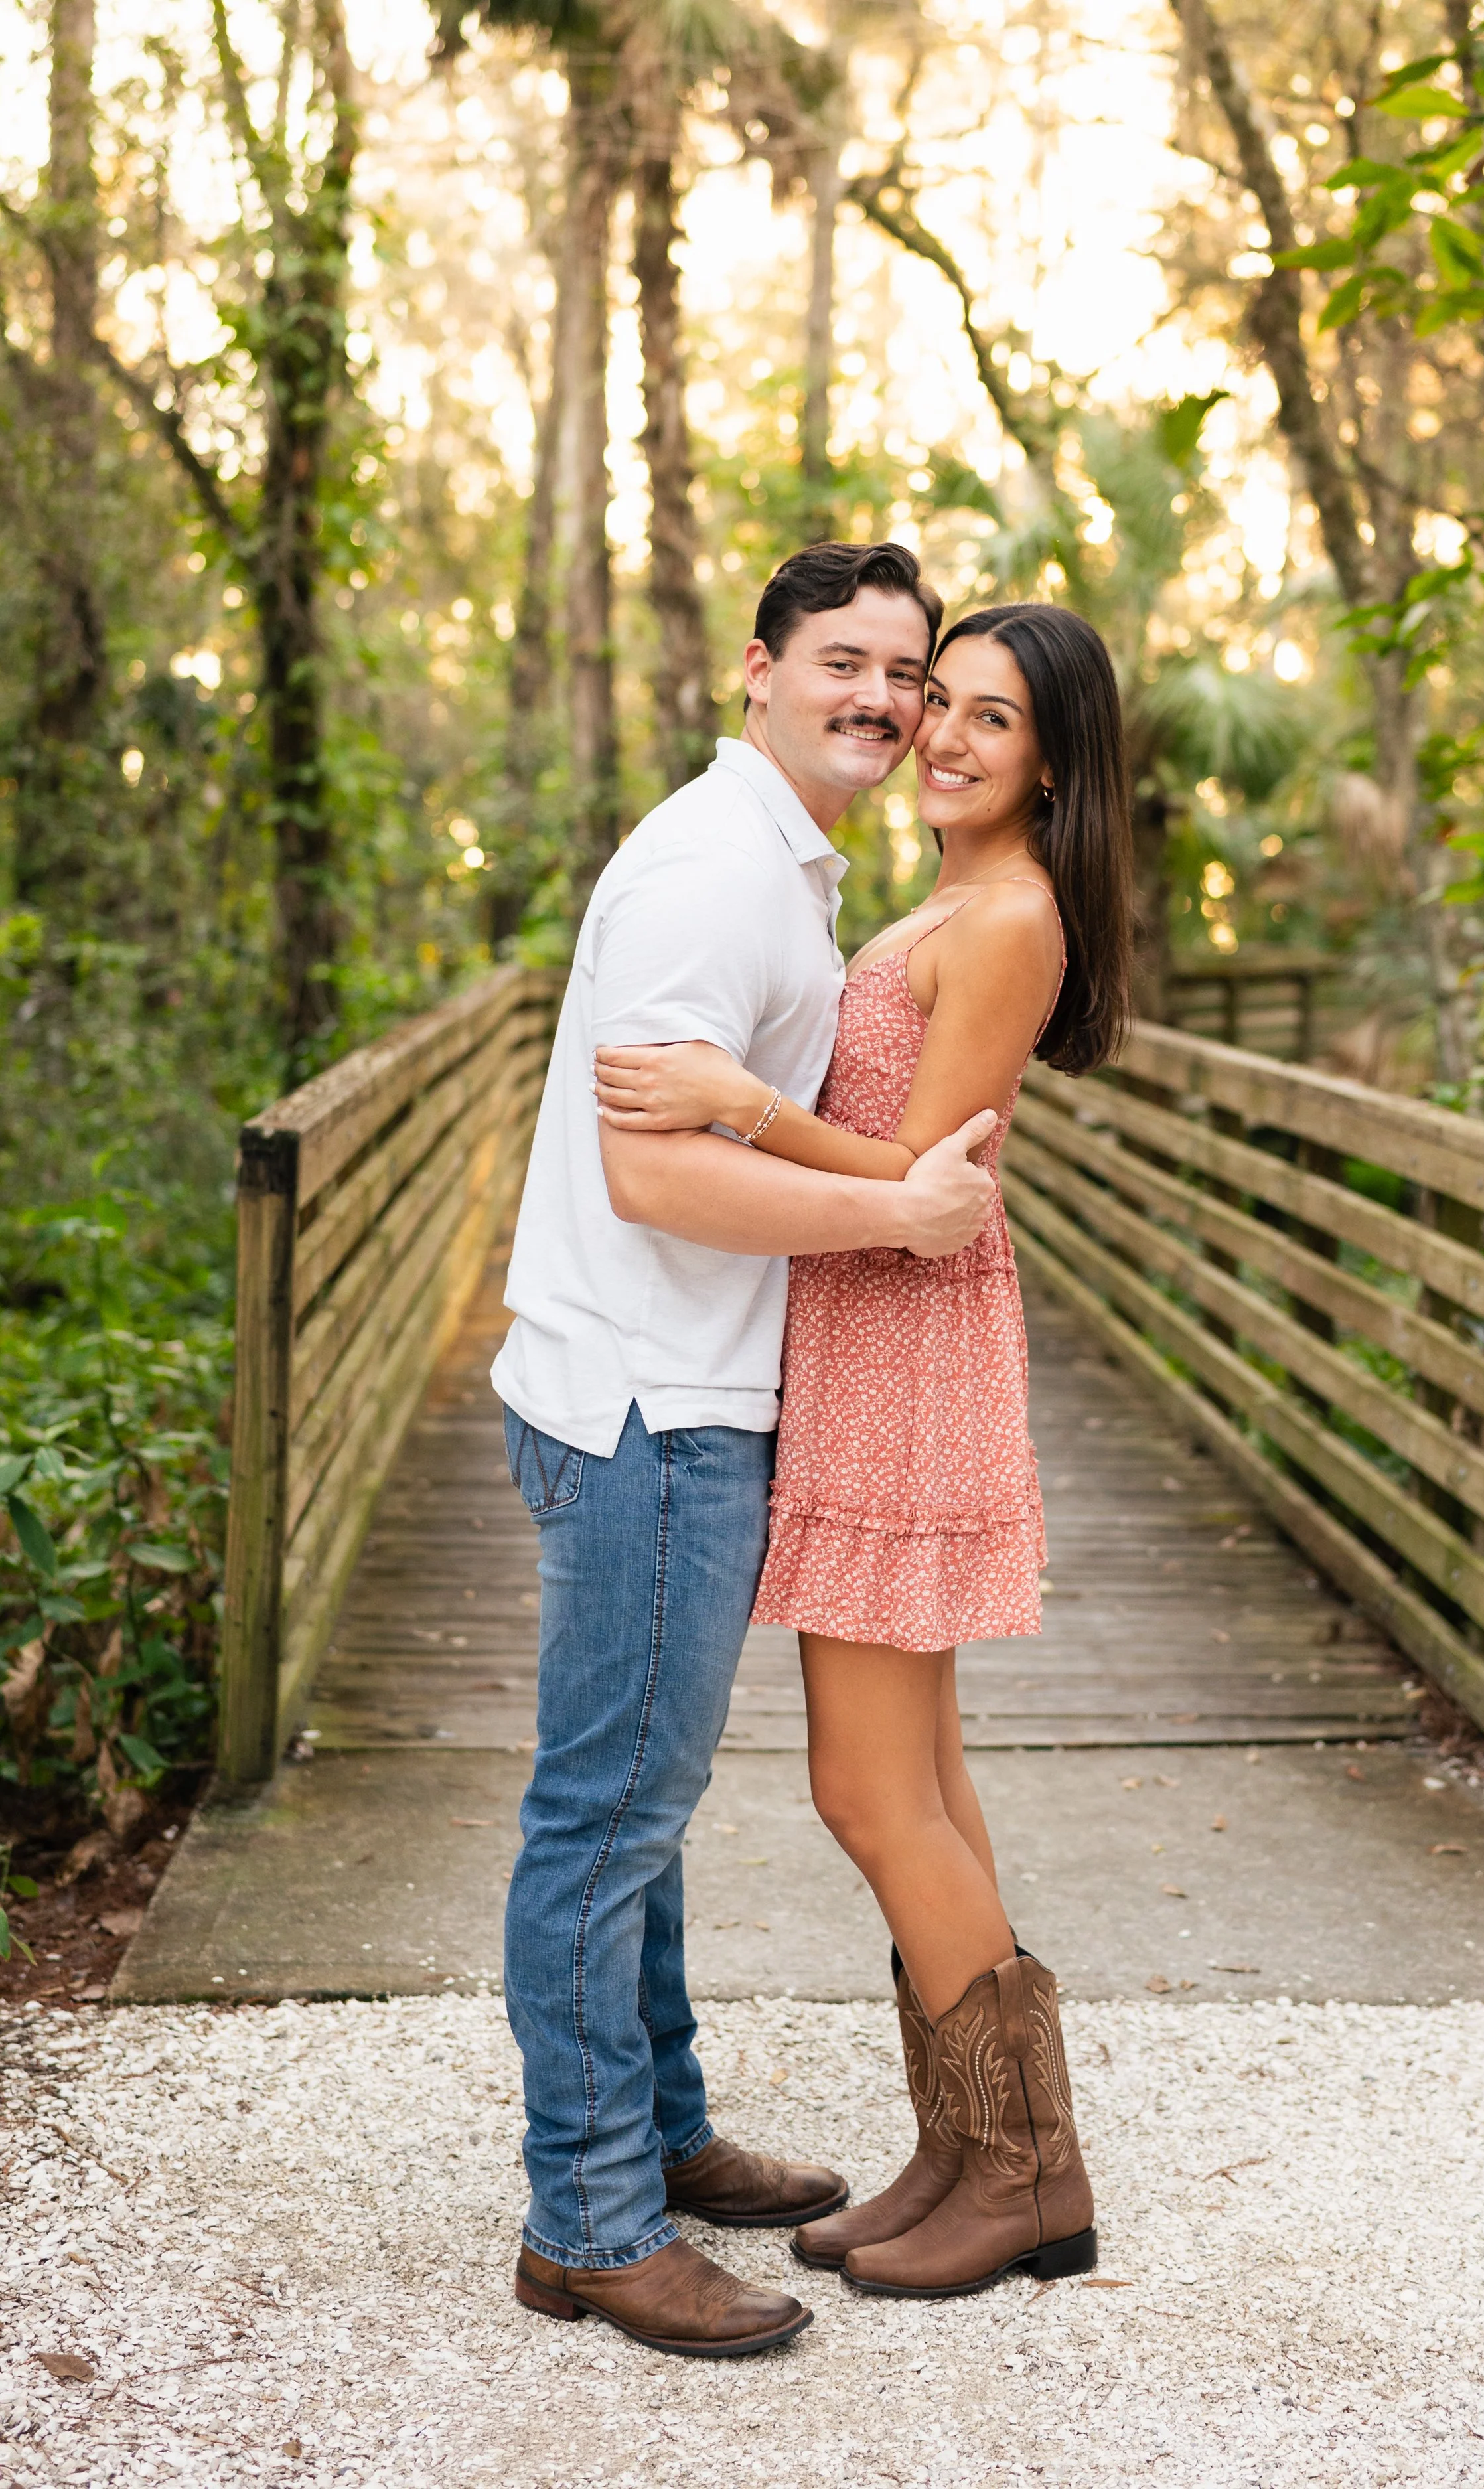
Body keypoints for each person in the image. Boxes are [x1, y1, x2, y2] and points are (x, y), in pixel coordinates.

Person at [492, 541, 1000, 2360]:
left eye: (905, 669)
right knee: (606, 1812)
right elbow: (658, 1169)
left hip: (678, 1388)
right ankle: (590, 2218)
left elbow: (720, 1128)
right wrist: (896, 1224)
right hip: (647, 1401)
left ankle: (661, 2124)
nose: (878, 693)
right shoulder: (715, 869)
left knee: (645, 1801)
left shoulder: (775, 861)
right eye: (844, 659)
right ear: (759, 670)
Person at [593, 601, 1136, 2300]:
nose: (945, 734)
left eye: (991, 718)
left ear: (1052, 762)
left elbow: (914, 1179)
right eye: (937, 701)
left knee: (863, 1785)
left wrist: (737, 1107)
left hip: (909, 1345)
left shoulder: (1011, 919)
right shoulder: (946, 894)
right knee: (930, 1782)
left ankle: (1032, 2176)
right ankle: (967, 2151)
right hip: (868, 1338)